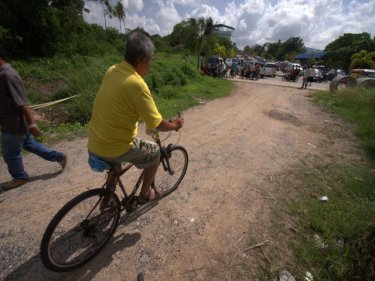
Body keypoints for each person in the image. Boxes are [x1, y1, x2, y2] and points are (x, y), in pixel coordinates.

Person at [87, 32, 183, 203]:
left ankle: (107, 200)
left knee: (115, 163)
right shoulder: (138, 84)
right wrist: (174, 124)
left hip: (95, 142)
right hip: (116, 147)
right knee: (154, 154)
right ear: (142, 59)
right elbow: (157, 123)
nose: (150, 65)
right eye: (150, 60)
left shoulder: (112, 70)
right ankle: (145, 195)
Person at [0, 44, 67, 191]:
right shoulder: (5, 73)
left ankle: (19, 176)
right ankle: (59, 156)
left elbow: (22, 103)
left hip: (13, 124)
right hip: (14, 122)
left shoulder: (6, 75)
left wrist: (32, 124)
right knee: (32, 145)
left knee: (10, 152)